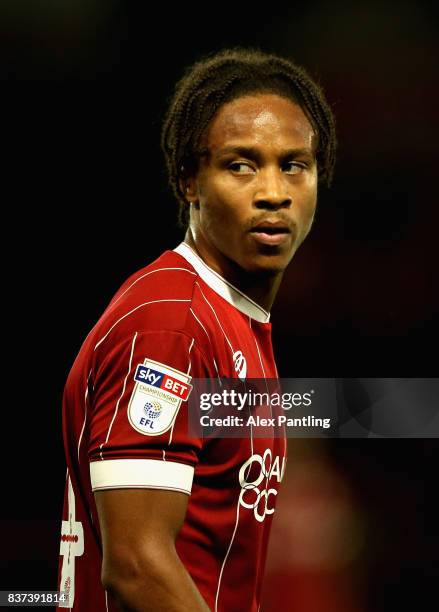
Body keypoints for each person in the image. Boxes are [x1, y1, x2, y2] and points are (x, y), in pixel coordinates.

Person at [57, 47, 336, 611]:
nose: (272, 192)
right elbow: (137, 566)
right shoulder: (172, 324)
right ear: (188, 180)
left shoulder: (231, 318)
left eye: (293, 164)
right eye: (241, 164)